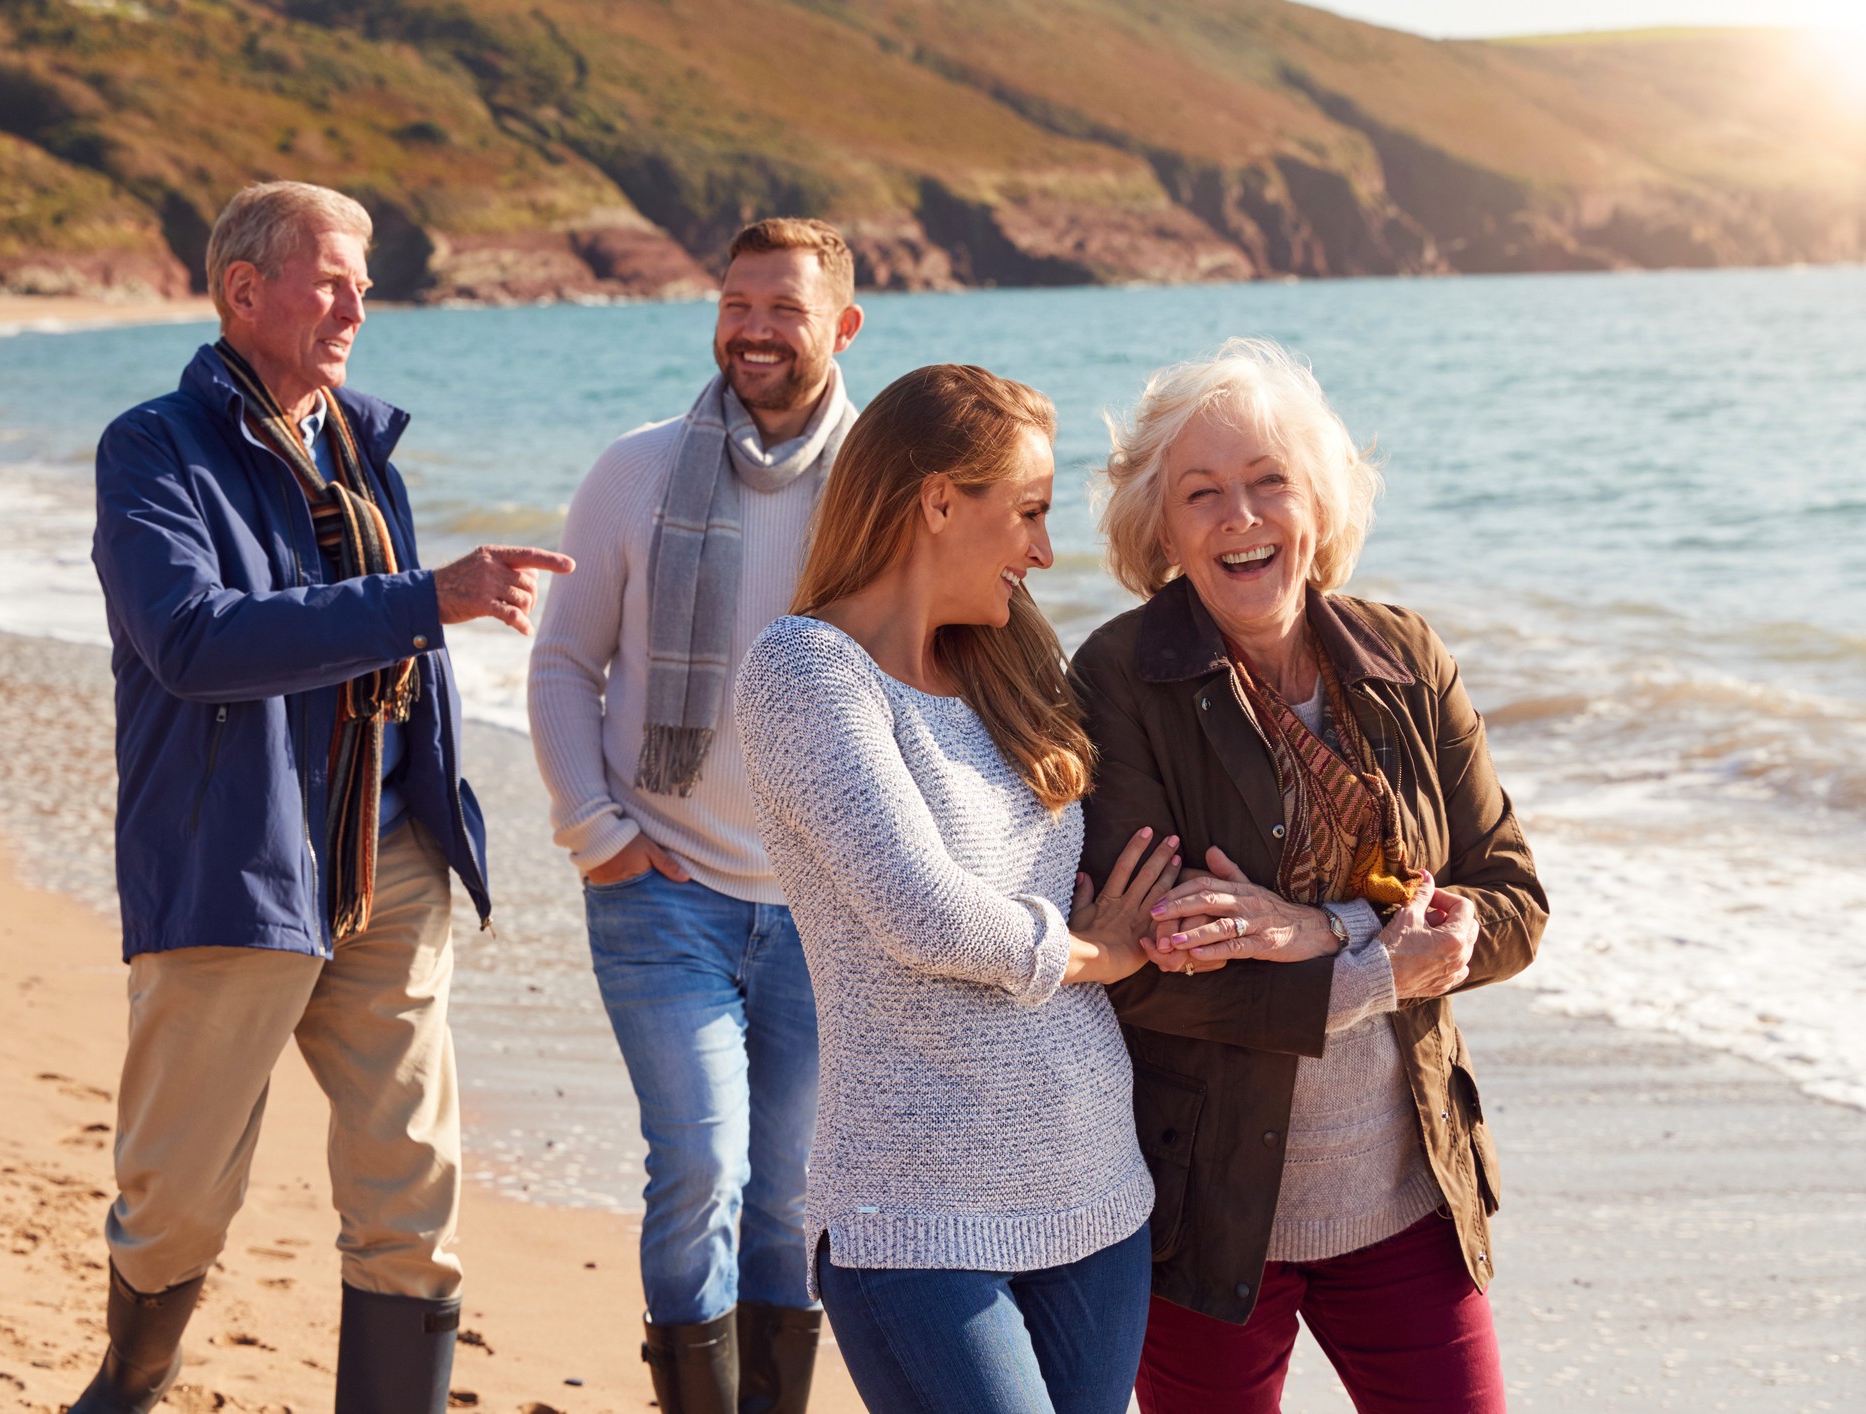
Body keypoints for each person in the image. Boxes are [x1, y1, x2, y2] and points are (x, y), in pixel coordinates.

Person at [76, 181, 573, 1414]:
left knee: (413, 1189)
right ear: (244, 291)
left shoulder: (360, 437)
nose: (360, 302)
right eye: (332, 277)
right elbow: (193, 641)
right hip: (236, 858)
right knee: (177, 1198)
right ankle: (127, 1388)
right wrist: (427, 598)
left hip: (390, 856)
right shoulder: (151, 447)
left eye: (365, 279)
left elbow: (388, 656)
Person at [1070, 338, 1548, 1414]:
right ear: (1161, 528)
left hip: (1404, 1194)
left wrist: (1322, 928)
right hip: (1204, 1213)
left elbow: (1513, 898)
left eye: (1267, 481)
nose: (1240, 516)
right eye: (1201, 493)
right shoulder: (1117, 678)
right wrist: (1382, 961)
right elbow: (1144, 965)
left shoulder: (1405, 657)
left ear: (1317, 503)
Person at [735, 364, 1175, 1414]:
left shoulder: (1008, 664)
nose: (1042, 549)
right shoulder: (805, 671)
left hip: (1094, 1189)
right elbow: (922, 912)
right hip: (914, 1207)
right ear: (937, 500)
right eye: (1026, 512)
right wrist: (1095, 954)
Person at [527, 218, 863, 1413]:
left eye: (782, 307)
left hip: (824, 911)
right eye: (736, 303)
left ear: (842, 326)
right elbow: (564, 661)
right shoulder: (635, 470)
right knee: (702, 1166)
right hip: (663, 896)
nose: (755, 329)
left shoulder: (883, 488)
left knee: (789, 1196)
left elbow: (947, 675)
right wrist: (598, 833)